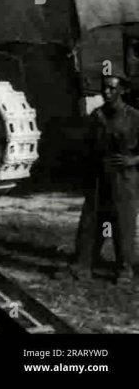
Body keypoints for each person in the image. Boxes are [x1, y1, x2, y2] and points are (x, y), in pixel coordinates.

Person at [71, 74, 139, 284]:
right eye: (104, 88)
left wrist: (133, 160)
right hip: (99, 176)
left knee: (123, 223)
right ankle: (84, 264)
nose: (106, 92)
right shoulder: (97, 116)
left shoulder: (134, 117)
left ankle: (124, 268)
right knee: (92, 221)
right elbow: (87, 146)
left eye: (111, 88)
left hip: (124, 178)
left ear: (122, 90)